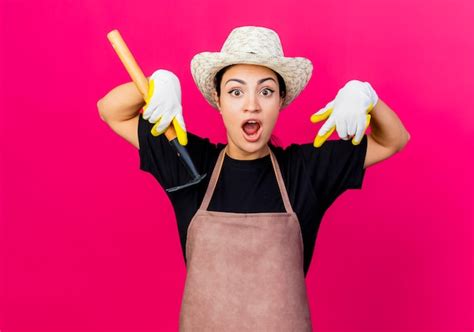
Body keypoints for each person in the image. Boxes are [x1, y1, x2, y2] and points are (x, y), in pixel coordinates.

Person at [97, 26, 410, 331]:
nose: (252, 104)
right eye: (235, 91)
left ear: (280, 101)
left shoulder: (305, 171)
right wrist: (158, 84)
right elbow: (112, 110)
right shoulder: (188, 162)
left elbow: (392, 140)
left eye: (266, 91)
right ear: (218, 101)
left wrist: (366, 97)